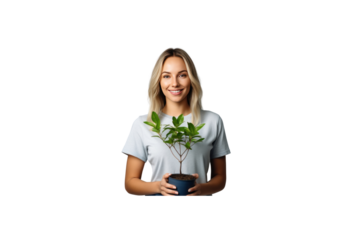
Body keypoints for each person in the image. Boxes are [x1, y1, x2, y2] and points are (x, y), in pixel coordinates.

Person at [122, 45, 232, 198]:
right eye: (166, 76)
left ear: (191, 78)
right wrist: (158, 187)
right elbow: (130, 184)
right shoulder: (142, 123)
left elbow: (220, 179)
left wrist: (202, 189)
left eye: (182, 75)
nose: (174, 83)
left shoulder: (213, 120)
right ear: (158, 80)